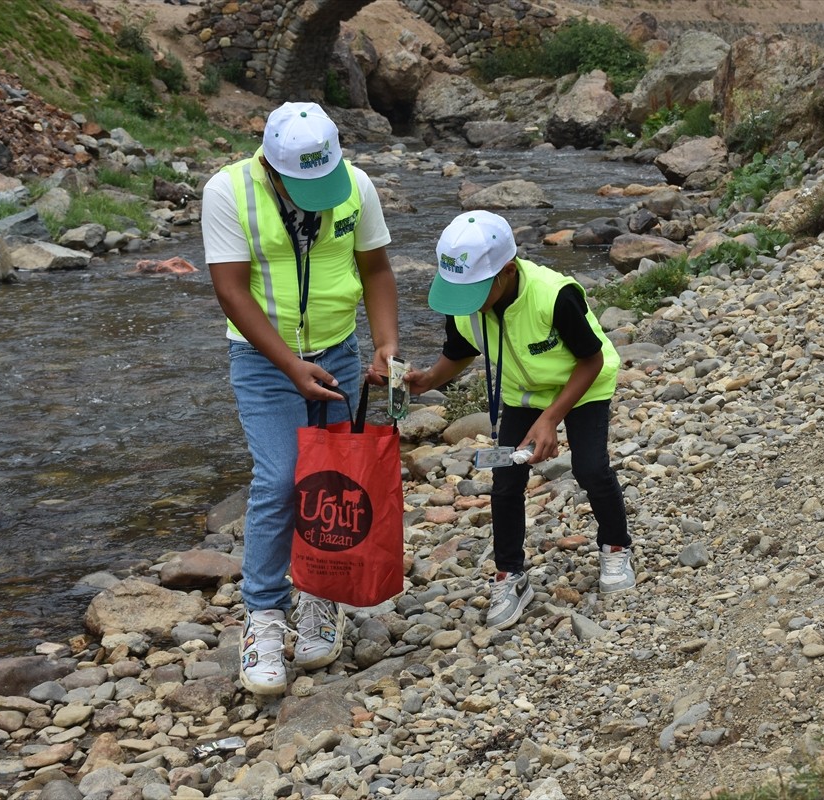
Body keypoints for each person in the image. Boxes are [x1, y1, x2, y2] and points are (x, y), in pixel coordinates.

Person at [201, 101, 399, 695]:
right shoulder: (228, 190)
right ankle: (263, 617)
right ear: (272, 165)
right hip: (264, 360)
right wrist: (290, 365)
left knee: (334, 481)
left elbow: (378, 270)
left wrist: (385, 344)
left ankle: (320, 594)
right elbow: (231, 291)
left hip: (338, 349)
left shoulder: (356, 186)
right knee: (282, 478)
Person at [404, 211, 634, 630]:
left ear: (506, 272)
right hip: (523, 394)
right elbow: (459, 352)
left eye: (473, 289)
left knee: (591, 469)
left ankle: (616, 546)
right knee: (506, 483)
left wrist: (551, 420)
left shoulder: (555, 295)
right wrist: (426, 380)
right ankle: (510, 574)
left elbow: (592, 359)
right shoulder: (464, 300)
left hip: (584, 385)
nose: (464, 299)